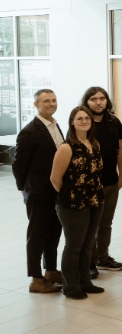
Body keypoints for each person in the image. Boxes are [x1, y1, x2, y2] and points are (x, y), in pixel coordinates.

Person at [48, 106, 106, 300]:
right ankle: (70, 286)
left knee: (88, 244)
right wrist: (71, 195)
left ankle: (85, 281)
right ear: (72, 122)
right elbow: (55, 179)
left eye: (86, 118)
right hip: (73, 203)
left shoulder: (94, 143)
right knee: (74, 246)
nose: (84, 121)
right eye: (79, 118)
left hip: (95, 200)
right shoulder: (66, 147)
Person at [14, 89, 65, 293]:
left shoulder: (55, 125)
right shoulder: (29, 131)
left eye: (54, 100)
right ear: (36, 105)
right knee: (36, 235)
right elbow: (19, 165)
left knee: (53, 232)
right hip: (38, 193)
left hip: (55, 191)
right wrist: (23, 189)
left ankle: (50, 270)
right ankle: (36, 278)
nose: (51, 104)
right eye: (46, 101)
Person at [80, 87, 122, 277]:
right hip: (89, 184)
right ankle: (88, 262)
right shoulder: (83, 123)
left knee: (106, 223)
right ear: (86, 101)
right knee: (90, 225)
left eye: (102, 98)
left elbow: (120, 151)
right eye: (93, 99)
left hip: (110, 182)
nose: (98, 102)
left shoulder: (113, 122)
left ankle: (102, 257)